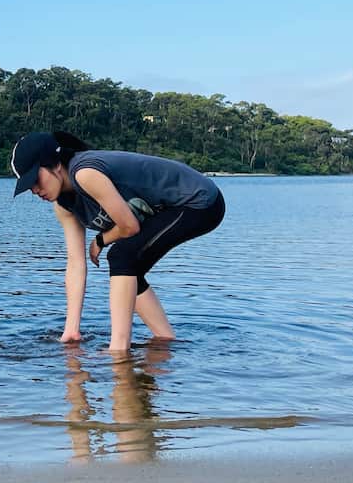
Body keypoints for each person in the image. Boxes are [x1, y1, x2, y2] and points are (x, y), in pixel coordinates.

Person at [11, 131, 226, 351]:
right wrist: (71, 330)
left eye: (35, 179)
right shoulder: (64, 205)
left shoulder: (85, 173)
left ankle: (118, 350)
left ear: (56, 164)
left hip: (199, 201)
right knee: (129, 272)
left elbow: (129, 226)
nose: (35, 190)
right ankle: (165, 341)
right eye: (29, 186)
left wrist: (100, 240)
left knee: (122, 256)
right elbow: (75, 264)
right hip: (171, 208)